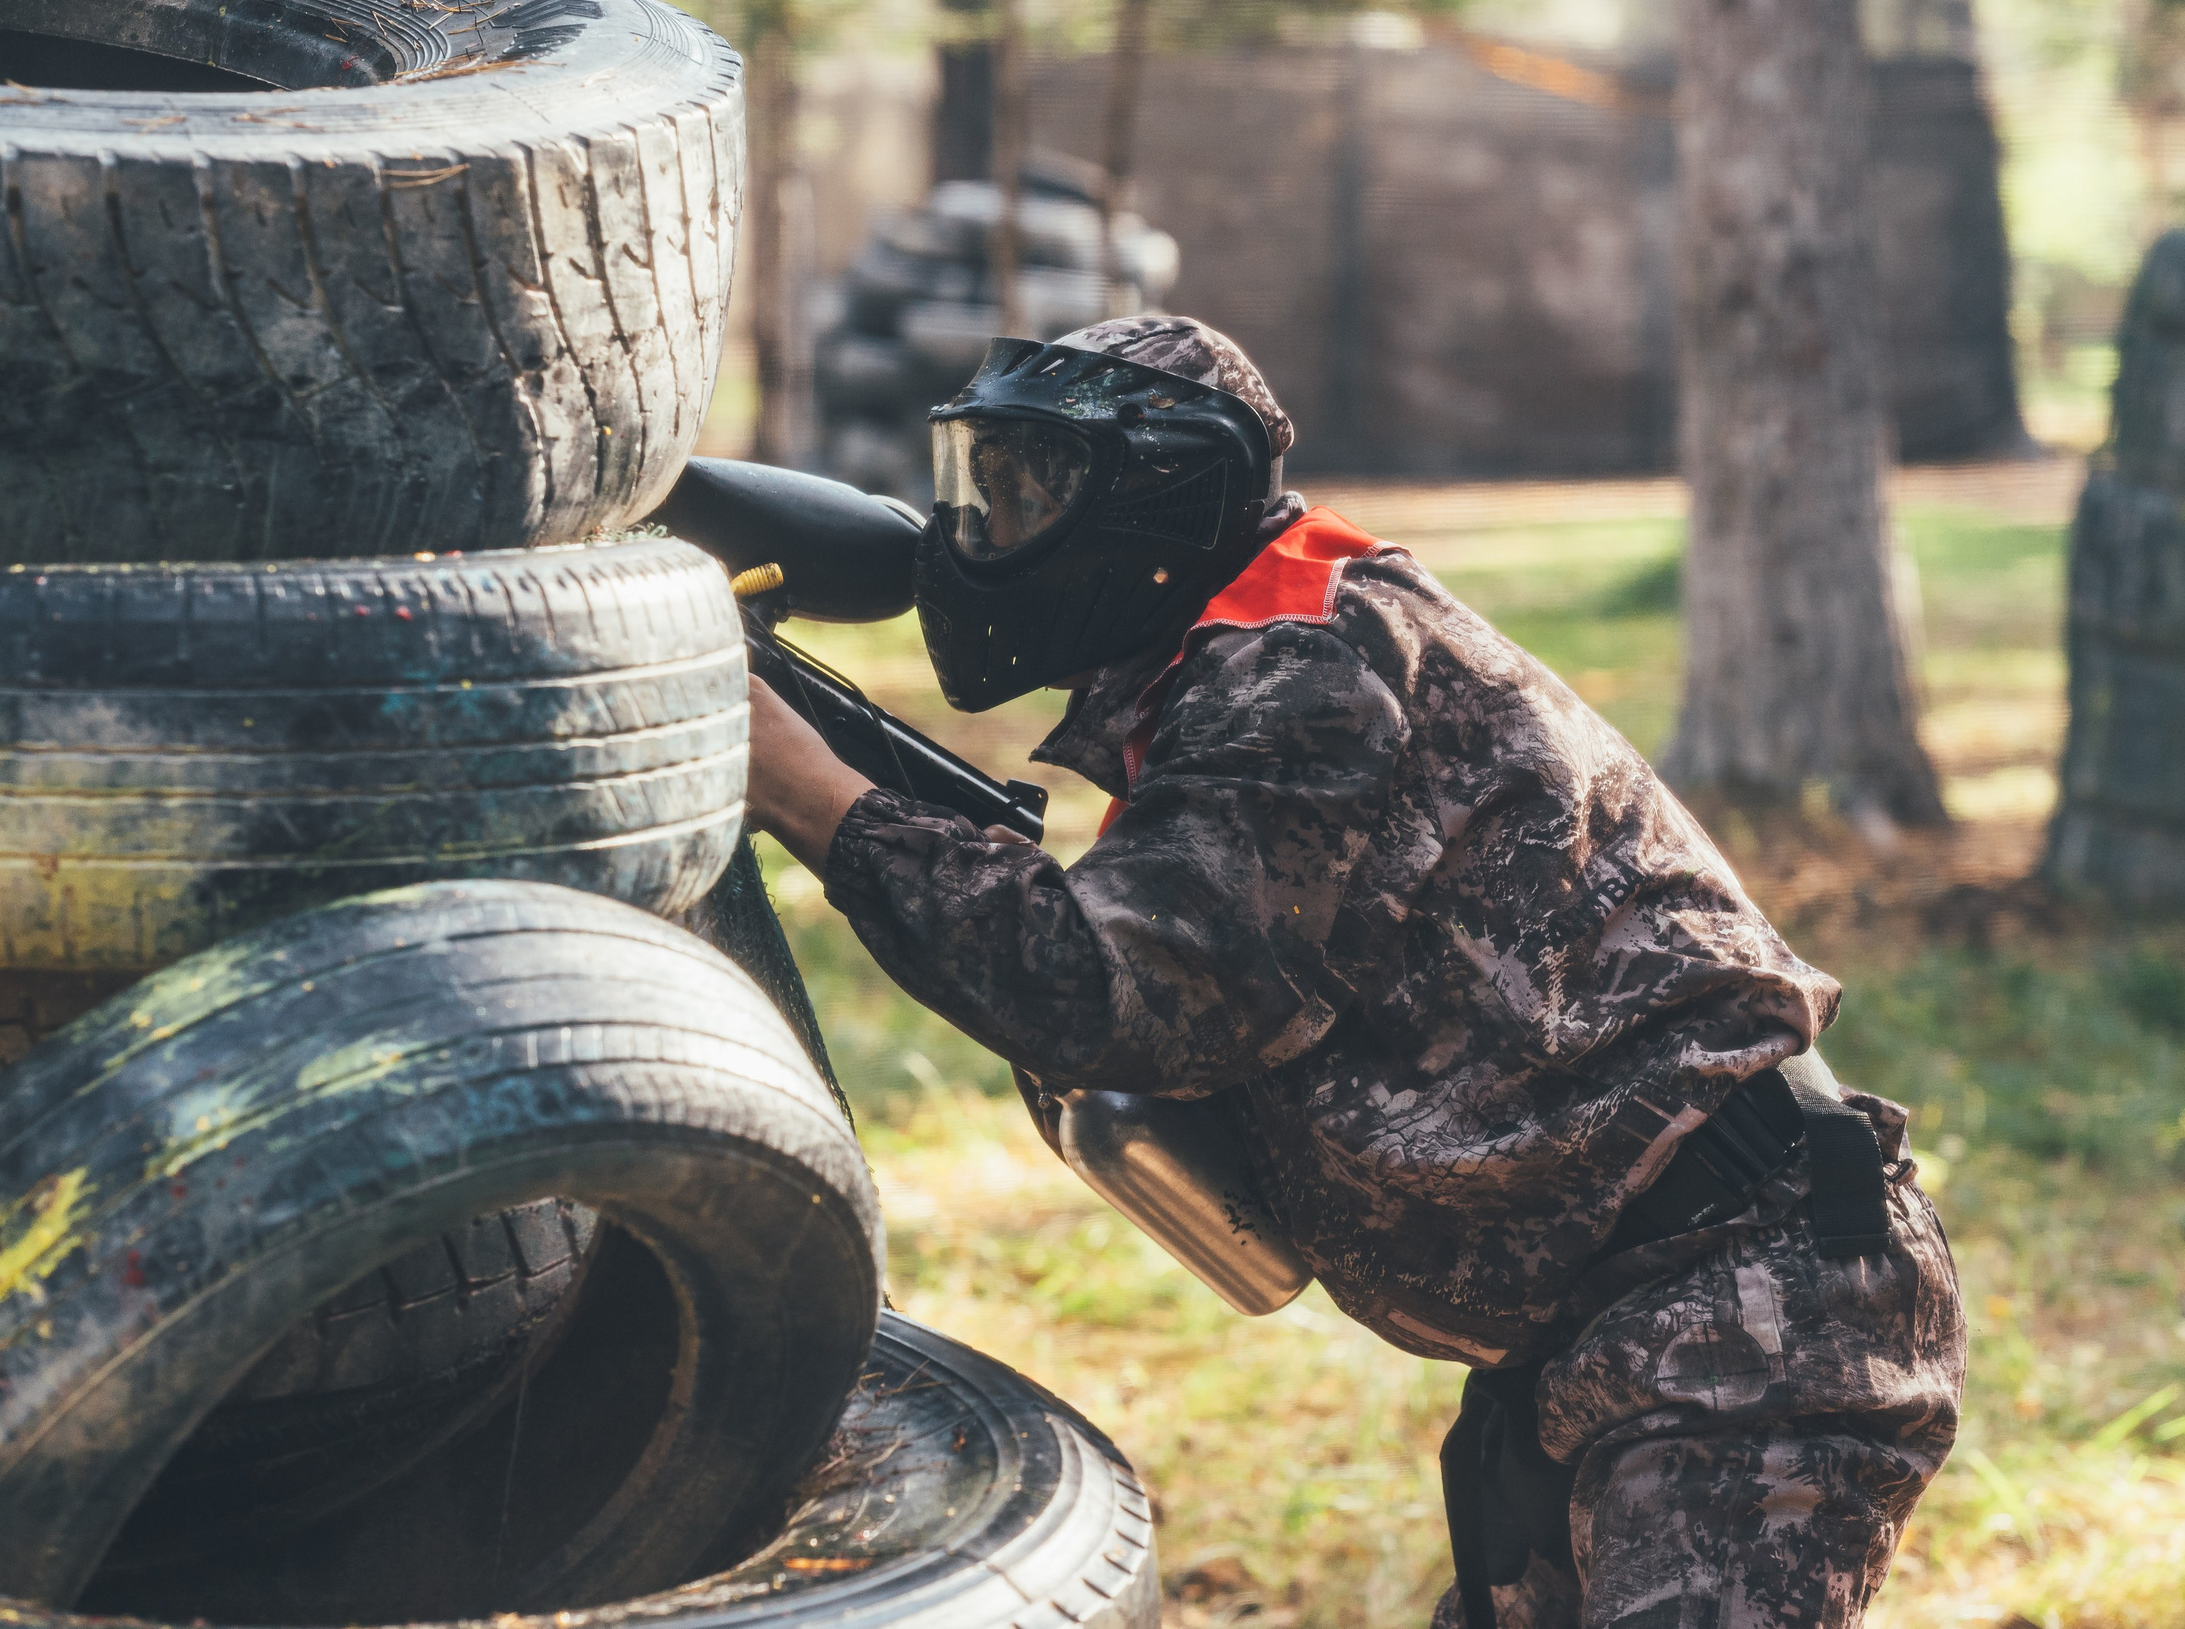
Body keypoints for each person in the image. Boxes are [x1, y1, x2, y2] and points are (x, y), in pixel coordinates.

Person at [741, 315, 1966, 1629]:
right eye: (979, 490)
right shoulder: (1259, 656)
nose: (984, 538)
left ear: (1161, 500)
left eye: (1029, 494)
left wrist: (813, 793)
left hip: (1742, 1317)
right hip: (1603, 1334)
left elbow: (1110, 995)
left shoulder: (1301, 668)